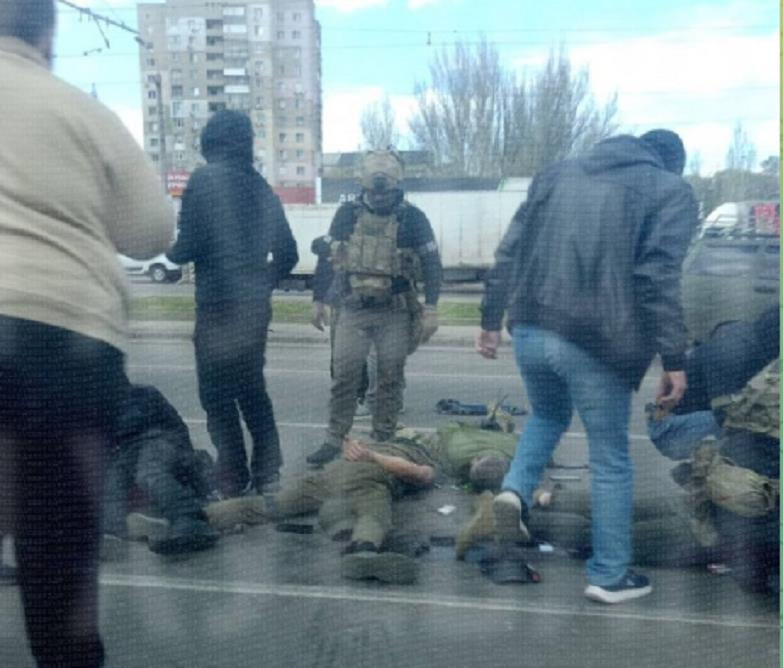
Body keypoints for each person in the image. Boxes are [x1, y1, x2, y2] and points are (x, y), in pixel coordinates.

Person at [0, 2, 174, 665]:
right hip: (63, 349)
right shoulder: (83, 112)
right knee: (57, 572)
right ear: (48, 34)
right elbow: (151, 232)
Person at [477, 129, 698, 604]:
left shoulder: (557, 174)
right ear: (671, 165)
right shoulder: (670, 190)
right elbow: (657, 277)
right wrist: (675, 358)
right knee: (610, 458)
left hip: (531, 327)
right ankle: (610, 575)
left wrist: (490, 320)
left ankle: (514, 491)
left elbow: (510, 249)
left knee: (547, 416)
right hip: (598, 340)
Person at [168, 110, 298, 498]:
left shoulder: (202, 181)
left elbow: (185, 249)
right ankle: (268, 473)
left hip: (217, 308)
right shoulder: (262, 188)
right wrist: (261, 283)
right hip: (253, 309)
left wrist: (165, 245)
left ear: (209, 142)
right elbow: (289, 254)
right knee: (252, 389)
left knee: (217, 396)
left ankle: (233, 475)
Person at [307, 150, 442, 466]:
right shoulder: (347, 214)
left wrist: (431, 308)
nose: (379, 195)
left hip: (394, 311)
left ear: (396, 183)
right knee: (344, 376)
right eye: (373, 188)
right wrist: (318, 299)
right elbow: (329, 256)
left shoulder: (413, 218)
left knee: (390, 377)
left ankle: (384, 439)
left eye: (385, 188)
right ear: (363, 184)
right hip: (352, 308)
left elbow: (432, 264)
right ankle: (335, 439)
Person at [263, 427, 512, 583]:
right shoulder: (426, 457)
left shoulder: (393, 441)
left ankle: (235, 515)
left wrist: (357, 447)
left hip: (336, 470)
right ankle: (363, 551)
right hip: (369, 472)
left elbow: (352, 442)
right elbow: (419, 473)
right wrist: (372, 456)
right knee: (374, 515)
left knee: (275, 504)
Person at [101, 383, 219, 557]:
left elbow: (176, 428)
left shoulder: (141, 393)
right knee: (111, 483)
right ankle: (111, 532)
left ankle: (190, 519)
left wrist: (189, 463)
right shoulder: (96, 404)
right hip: (127, 450)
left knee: (149, 473)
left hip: (159, 439)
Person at [647, 307, 779, 460]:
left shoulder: (755, 342)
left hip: (706, 414)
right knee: (757, 431)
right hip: (672, 429)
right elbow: (728, 419)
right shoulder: (731, 353)